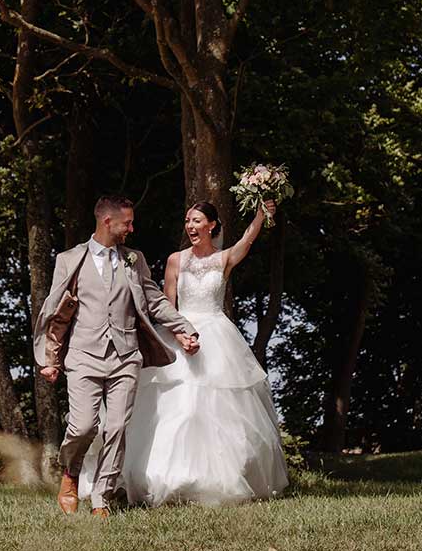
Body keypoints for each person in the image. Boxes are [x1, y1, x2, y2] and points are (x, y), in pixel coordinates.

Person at [84, 199, 288, 506]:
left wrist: (262, 212)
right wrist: (180, 335)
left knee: (211, 411)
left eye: (197, 221)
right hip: (180, 334)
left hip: (217, 339)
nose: (191, 226)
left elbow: (247, 240)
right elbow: (167, 305)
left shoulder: (224, 259)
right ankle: (157, 478)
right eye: (188, 221)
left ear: (212, 225)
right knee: (172, 409)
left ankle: (214, 480)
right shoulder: (176, 260)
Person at [33, 195, 200, 518]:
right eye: (127, 222)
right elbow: (56, 314)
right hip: (83, 355)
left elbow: (154, 301)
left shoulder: (134, 260)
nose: (131, 228)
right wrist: (50, 359)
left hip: (125, 356)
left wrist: (185, 326)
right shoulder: (70, 260)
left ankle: (101, 498)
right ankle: (70, 472)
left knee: (117, 428)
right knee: (82, 426)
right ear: (107, 221)